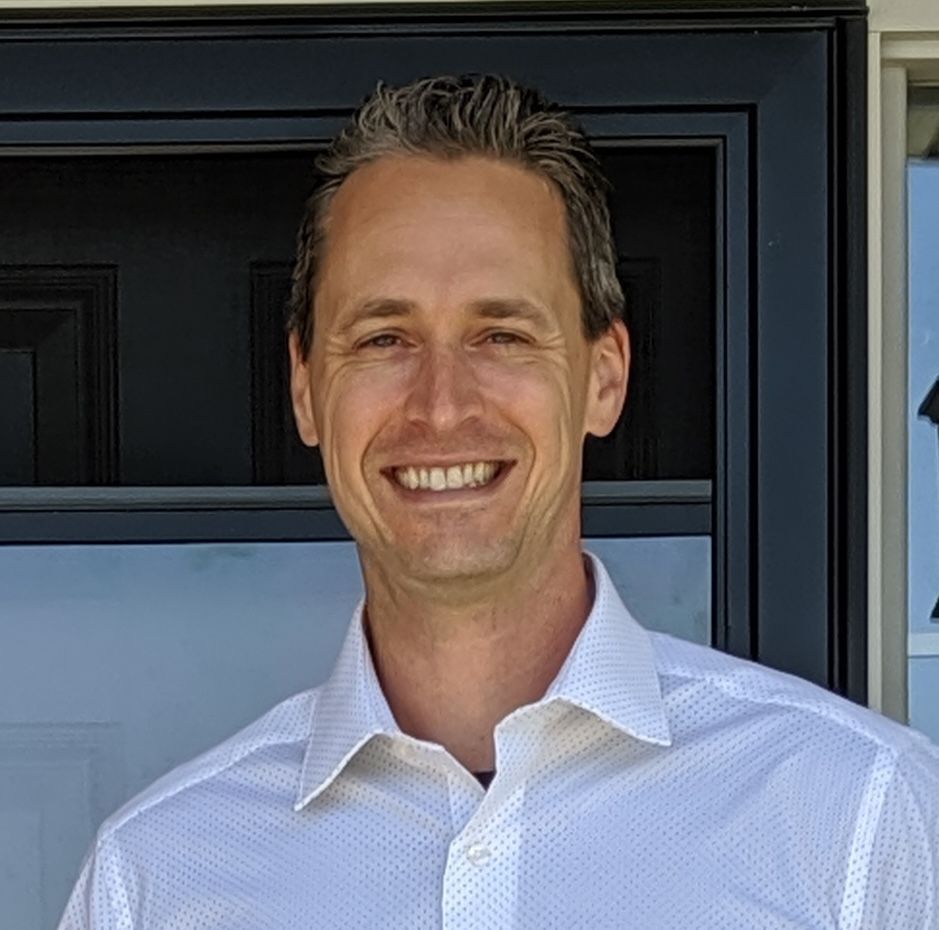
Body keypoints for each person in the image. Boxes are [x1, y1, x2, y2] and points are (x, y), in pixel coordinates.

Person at [59, 74, 938, 930]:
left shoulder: (857, 818)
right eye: (384, 338)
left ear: (603, 377)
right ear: (304, 389)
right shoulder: (155, 879)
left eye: (502, 335)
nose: (441, 407)